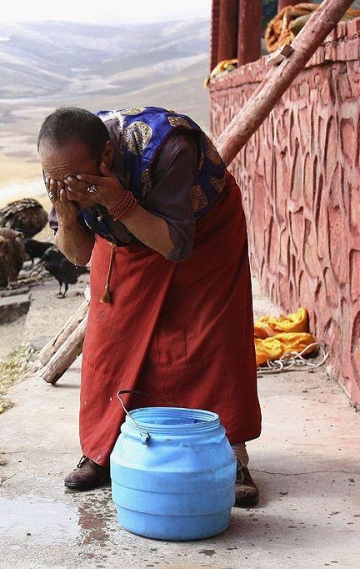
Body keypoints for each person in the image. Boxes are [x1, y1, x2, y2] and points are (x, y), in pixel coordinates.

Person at [38, 106, 262, 507]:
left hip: (201, 231)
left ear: (106, 156)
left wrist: (117, 201)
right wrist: (71, 218)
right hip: (122, 235)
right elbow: (77, 255)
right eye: (56, 178)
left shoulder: (168, 150)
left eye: (72, 177)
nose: (64, 185)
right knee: (111, 338)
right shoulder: (63, 172)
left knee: (207, 338)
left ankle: (230, 456)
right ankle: (103, 450)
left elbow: (176, 245)